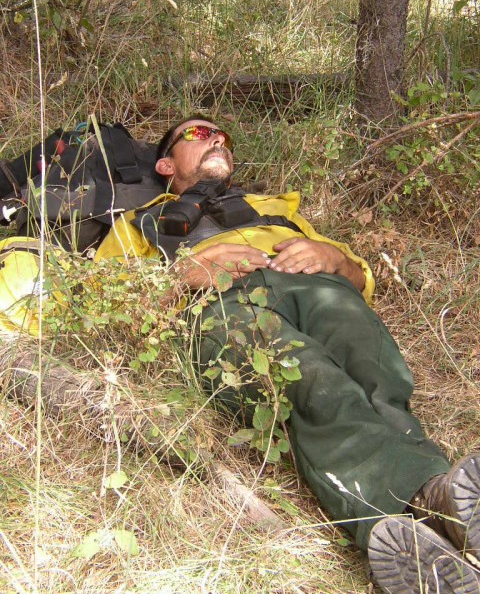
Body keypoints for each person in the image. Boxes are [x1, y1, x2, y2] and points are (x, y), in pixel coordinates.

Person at [95, 115, 480, 593]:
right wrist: (184, 276)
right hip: (222, 305)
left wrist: (334, 260)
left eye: (223, 136)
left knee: (377, 370)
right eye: (198, 134)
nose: (216, 138)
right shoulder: (137, 223)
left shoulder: (274, 209)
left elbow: (360, 278)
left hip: (317, 290)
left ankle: (432, 514)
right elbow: (113, 309)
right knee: (314, 381)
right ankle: (422, 500)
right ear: (166, 163)